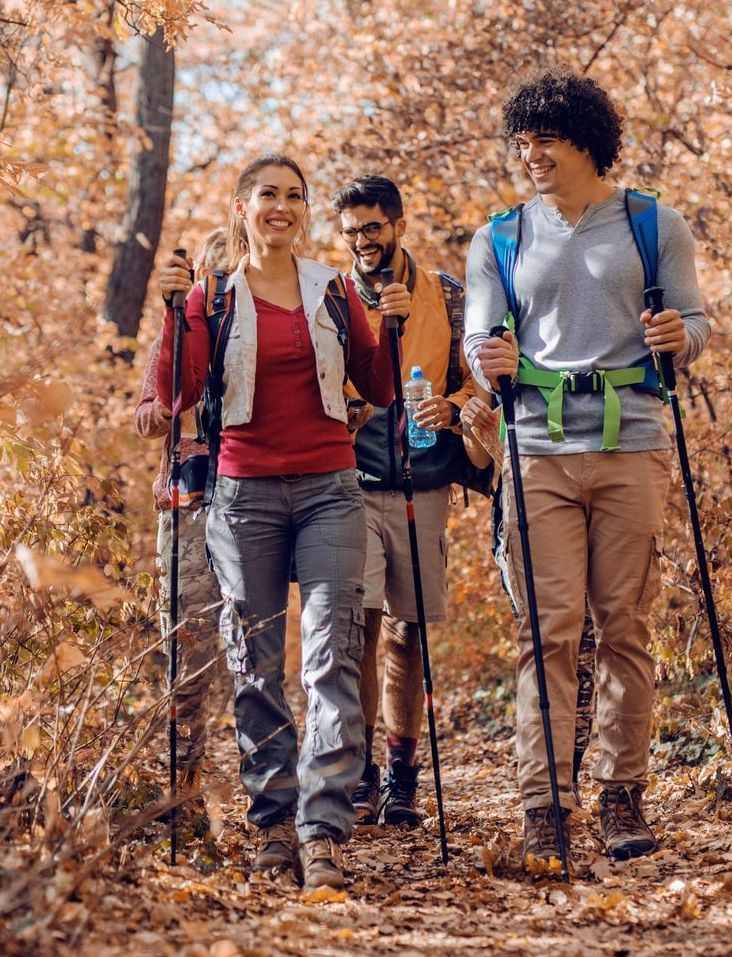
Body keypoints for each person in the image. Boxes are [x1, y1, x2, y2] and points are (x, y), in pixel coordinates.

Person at [463, 69, 711, 870]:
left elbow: (695, 319)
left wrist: (681, 335)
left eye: (546, 138)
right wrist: (486, 353)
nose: (530, 153)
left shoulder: (650, 223)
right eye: (521, 140)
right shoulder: (499, 237)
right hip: (535, 449)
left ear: (587, 140)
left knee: (625, 624)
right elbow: (477, 335)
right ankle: (544, 805)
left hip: (631, 443)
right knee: (547, 631)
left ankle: (620, 794)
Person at [155, 153, 399, 889]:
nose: (282, 207)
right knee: (253, 666)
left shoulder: (331, 289)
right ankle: (272, 826)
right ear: (242, 207)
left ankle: (321, 828)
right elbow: (180, 391)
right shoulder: (212, 296)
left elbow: (378, 386)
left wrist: (391, 327)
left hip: (330, 487)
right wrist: (172, 313)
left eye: (294, 196)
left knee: (331, 655)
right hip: (243, 496)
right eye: (268, 195)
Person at [331, 176, 474, 827]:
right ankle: (360, 770)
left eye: (372, 227)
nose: (362, 241)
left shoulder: (444, 294)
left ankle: (403, 774)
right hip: (350, 480)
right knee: (357, 625)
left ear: (397, 225)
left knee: (407, 629)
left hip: (423, 479)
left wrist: (455, 407)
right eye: (351, 229)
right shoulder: (328, 296)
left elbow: (481, 377)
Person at [460, 389, 598, 805]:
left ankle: (567, 773)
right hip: (522, 508)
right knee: (554, 638)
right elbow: (478, 458)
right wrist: (473, 422)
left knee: (588, 644)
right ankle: (552, 788)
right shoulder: (491, 345)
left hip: (594, 484)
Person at [135, 227, 228, 819]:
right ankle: (183, 789)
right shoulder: (180, 328)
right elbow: (145, 415)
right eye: (211, 276)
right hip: (188, 506)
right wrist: (167, 408)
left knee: (251, 650)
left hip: (257, 497)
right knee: (190, 651)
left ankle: (262, 793)